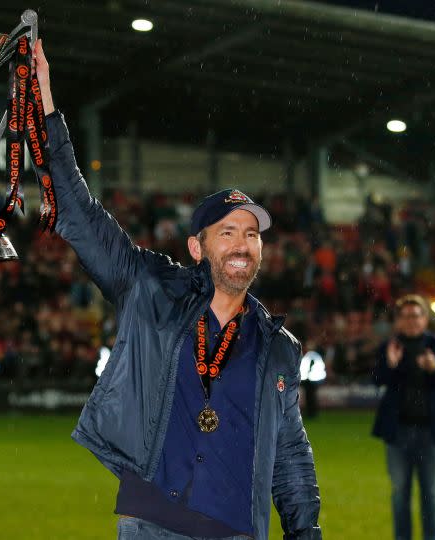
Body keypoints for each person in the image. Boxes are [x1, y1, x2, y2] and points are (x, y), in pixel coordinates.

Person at [32, 41, 321, 539]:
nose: (242, 244)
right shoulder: (150, 292)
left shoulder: (279, 347)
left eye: (252, 234)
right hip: (153, 524)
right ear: (196, 245)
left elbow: (290, 452)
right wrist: (46, 107)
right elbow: (78, 212)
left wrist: (305, 531)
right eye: (226, 232)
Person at [372, 294, 435, 540]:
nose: (412, 321)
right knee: (400, 493)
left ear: (425, 319)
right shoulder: (390, 346)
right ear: (398, 320)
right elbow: (376, 379)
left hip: (431, 431)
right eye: (406, 316)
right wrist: (390, 364)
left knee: (430, 493)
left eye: (416, 315)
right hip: (398, 431)